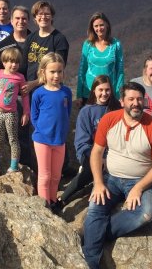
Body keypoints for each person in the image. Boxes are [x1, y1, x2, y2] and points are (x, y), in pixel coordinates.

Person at [82, 82, 152, 269]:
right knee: (95, 208)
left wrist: (138, 188)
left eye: (139, 99)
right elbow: (97, 152)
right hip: (111, 178)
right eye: (131, 99)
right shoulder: (109, 120)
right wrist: (98, 183)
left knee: (145, 214)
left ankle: (93, 234)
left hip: (141, 180)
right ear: (122, 101)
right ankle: (91, 263)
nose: (136, 103)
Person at [55, 75, 121, 210]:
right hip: (89, 151)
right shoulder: (87, 111)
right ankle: (63, 199)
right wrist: (98, 156)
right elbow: (81, 141)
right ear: (94, 91)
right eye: (100, 90)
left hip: (113, 152)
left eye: (107, 90)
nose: (104, 93)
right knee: (93, 167)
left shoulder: (117, 109)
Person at [0, 5, 32, 167]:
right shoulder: (4, 45)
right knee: (11, 136)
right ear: (12, 21)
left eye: (23, 18)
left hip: (32, 93)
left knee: (28, 134)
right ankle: (16, 165)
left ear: (28, 21)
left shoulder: (34, 41)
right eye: (17, 18)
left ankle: (28, 166)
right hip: (9, 99)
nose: (20, 21)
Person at [31, 53, 72, 208]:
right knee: (45, 176)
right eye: (52, 72)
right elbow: (34, 116)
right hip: (42, 140)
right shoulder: (39, 93)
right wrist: (42, 129)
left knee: (56, 176)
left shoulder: (66, 92)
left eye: (59, 71)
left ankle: (53, 200)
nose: (56, 75)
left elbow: (66, 114)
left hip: (59, 140)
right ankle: (44, 205)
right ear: (43, 72)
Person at [0, 47, 30, 175]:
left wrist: (26, 112)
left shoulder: (20, 77)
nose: (14, 65)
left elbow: (25, 96)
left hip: (11, 114)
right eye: (10, 61)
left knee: (13, 140)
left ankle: (14, 165)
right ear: (4, 62)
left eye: (16, 62)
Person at [77, 12, 124, 106]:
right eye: (96, 26)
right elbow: (82, 70)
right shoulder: (87, 44)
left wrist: (120, 94)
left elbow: (120, 71)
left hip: (109, 93)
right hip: (89, 92)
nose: (99, 28)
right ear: (92, 28)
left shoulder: (116, 44)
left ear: (107, 25)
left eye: (101, 25)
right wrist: (79, 94)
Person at [24, 0, 69, 94]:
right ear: (35, 17)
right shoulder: (30, 38)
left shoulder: (59, 39)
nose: (43, 17)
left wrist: (34, 83)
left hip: (50, 90)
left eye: (47, 14)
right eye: (40, 14)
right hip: (29, 90)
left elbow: (58, 69)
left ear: (52, 16)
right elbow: (24, 64)